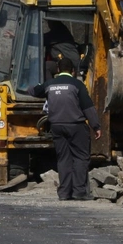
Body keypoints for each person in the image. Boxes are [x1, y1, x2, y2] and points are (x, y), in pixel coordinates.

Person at [33, 55, 101, 201]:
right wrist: (96, 126)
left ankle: (64, 193)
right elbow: (88, 107)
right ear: (73, 71)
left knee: (63, 159)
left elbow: (33, 91)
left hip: (56, 127)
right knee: (80, 158)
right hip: (76, 127)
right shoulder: (77, 85)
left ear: (58, 69)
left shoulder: (50, 84)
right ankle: (79, 192)